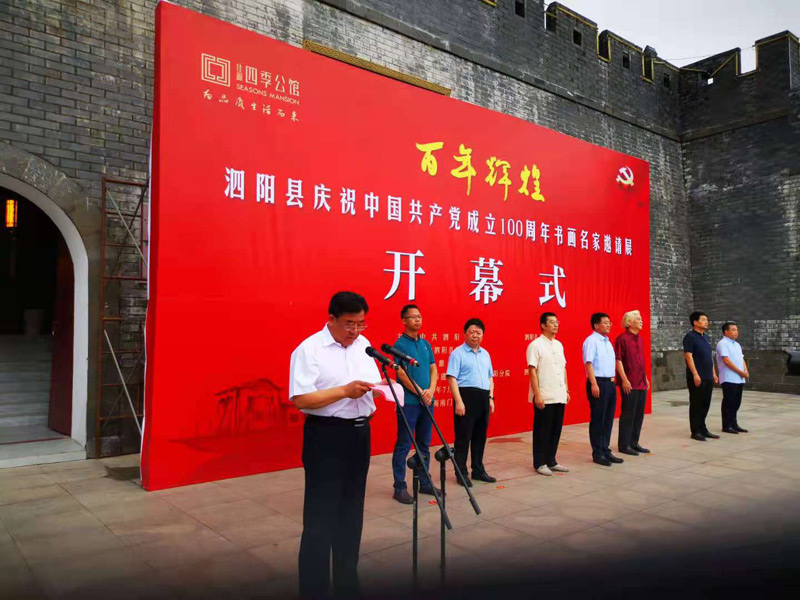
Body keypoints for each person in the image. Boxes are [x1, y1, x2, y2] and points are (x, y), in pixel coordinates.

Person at [289, 291, 383, 598]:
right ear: (331, 319)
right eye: (349, 323)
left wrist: (382, 389)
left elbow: (372, 384)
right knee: (320, 517)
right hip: (326, 436)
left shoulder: (364, 346)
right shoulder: (309, 349)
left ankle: (346, 584)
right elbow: (301, 399)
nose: (355, 330)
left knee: (351, 514)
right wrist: (343, 391)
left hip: (359, 434)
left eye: (361, 323)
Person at [391, 304, 439, 504]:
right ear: (404, 320)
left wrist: (431, 390)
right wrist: (419, 391)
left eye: (419, 316)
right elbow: (401, 374)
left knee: (424, 444)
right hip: (409, 403)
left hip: (427, 401)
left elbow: (434, 369)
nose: (417, 320)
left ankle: (424, 482)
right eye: (413, 317)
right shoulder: (399, 345)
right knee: (404, 444)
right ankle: (399, 487)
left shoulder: (426, 344)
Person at [446, 318, 496, 486]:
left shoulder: (486, 354)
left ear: (483, 335)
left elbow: (490, 378)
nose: (475, 335)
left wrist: (490, 398)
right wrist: (458, 402)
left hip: (483, 397)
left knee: (480, 437)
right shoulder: (457, 353)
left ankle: (478, 470)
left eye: (478, 332)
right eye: (472, 332)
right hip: (466, 397)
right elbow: (452, 378)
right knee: (463, 438)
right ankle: (461, 473)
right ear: (465, 334)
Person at [527, 312, 570, 476]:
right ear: (543, 325)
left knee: (556, 429)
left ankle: (551, 460)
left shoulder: (559, 345)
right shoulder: (535, 345)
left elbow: (563, 368)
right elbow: (532, 370)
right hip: (544, 395)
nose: (556, 325)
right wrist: (537, 394)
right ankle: (539, 463)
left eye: (557, 322)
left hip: (559, 393)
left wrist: (566, 389)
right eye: (552, 322)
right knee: (542, 430)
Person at [582, 312, 623, 466]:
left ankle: (606, 450)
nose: (609, 325)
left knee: (608, 419)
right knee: (598, 419)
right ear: (596, 325)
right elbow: (588, 363)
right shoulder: (591, 341)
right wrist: (593, 383)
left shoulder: (607, 342)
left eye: (609, 322)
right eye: (605, 322)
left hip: (610, 383)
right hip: (598, 382)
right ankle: (598, 453)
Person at [614, 310, 651, 456]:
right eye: (638, 319)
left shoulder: (640, 339)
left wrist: (645, 377)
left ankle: (634, 442)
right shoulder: (622, 339)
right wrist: (624, 380)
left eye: (641, 319)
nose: (641, 321)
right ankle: (624, 445)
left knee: (639, 414)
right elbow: (618, 360)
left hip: (641, 382)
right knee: (628, 414)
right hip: (629, 383)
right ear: (629, 322)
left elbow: (640, 361)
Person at [683, 311, 719, 441]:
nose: (706, 322)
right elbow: (688, 356)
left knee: (705, 403)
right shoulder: (690, 337)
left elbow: (709, 357)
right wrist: (695, 374)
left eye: (706, 320)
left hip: (708, 376)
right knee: (696, 403)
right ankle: (695, 431)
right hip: (697, 376)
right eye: (703, 319)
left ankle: (703, 428)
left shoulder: (706, 337)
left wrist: (713, 373)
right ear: (695, 322)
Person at [716, 321, 749, 434]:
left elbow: (741, 359)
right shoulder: (723, 343)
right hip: (729, 378)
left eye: (737, 330)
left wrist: (745, 370)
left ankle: (734, 424)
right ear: (726, 332)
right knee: (728, 402)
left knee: (736, 402)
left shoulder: (737, 344)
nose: (736, 332)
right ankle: (726, 425)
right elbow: (726, 360)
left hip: (739, 378)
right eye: (733, 330)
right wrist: (740, 372)